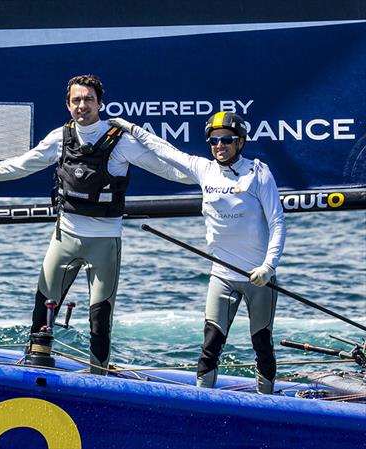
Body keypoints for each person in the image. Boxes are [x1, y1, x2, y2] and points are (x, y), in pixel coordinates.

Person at [0, 75, 192, 373]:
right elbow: (21, 165)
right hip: (64, 238)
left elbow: (167, 169)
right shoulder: (60, 137)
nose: (82, 105)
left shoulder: (121, 141)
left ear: (99, 103)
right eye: (76, 100)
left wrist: (210, 177)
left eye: (88, 99)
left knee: (99, 321)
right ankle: (35, 370)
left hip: (104, 243)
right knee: (41, 315)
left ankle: (99, 376)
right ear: (68, 105)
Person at [109, 112, 286, 393]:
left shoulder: (258, 173)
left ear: (239, 143)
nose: (219, 145)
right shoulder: (203, 169)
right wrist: (132, 128)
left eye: (227, 140)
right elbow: (164, 150)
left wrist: (268, 267)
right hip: (222, 277)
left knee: (262, 344)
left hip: (259, 279)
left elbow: (277, 222)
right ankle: (204, 402)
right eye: (214, 140)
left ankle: (267, 403)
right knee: (210, 345)